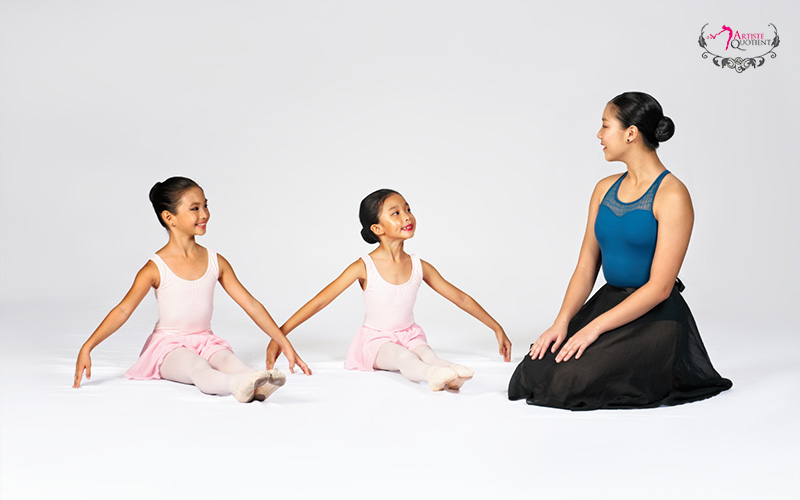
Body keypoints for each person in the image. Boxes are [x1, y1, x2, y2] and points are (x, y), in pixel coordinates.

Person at [508, 92, 732, 410]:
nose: (599, 135)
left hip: (655, 315)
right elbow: (586, 267)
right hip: (609, 301)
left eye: (605, 126)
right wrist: (561, 322)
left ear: (630, 133)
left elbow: (660, 287)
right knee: (531, 373)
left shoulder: (672, 195)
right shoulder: (603, 189)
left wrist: (592, 329)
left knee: (567, 383)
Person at [73, 177, 311, 402]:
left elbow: (251, 304)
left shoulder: (216, 261)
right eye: (195, 208)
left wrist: (283, 342)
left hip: (205, 340)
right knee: (197, 367)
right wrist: (88, 346)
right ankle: (237, 385)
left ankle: (254, 379)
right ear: (169, 217)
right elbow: (123, 310)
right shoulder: (155, 268)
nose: (205, 214)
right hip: (168, 347)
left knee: (229, 360)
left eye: (205, 206)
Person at [266, 189, 512, 391]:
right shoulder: (364, 267)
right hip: (376, 340)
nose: (407, 216)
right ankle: (433, 376)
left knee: (426, 352)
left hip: (410, 334)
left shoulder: (419, 266)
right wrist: (279, 336)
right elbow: (319, 302)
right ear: (377, 229)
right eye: (396, 213)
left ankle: (448, 371)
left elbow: (460, 297)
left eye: (407, 209)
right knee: (404, 359)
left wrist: (496, 327)